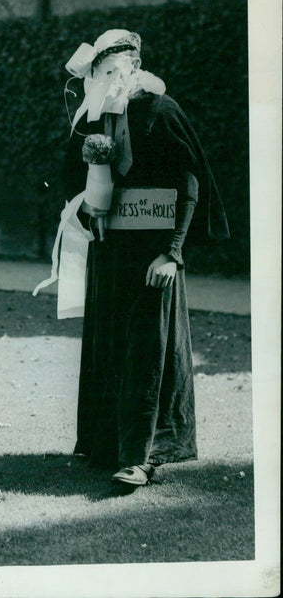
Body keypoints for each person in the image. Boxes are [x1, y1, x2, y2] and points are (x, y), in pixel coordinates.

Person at [60, 29, 229, 486]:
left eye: (121, 69)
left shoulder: (159, 109)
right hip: (110, 251)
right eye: (104, 71)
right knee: (109, 343)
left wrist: (172, 253)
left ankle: (144, 454)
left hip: (151, 254)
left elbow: (190, 182)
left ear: (135, 68)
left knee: (148, 349)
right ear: (93, 75)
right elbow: (70, 181)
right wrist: (86, 211)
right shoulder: (92, 119)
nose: (113, 78)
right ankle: (108, 444)